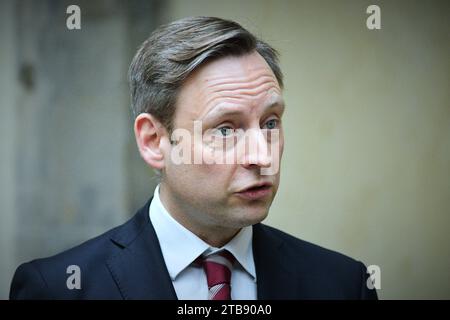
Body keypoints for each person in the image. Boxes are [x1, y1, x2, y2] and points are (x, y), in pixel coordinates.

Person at [10, 16, 377, 300]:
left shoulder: (343, 284)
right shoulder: (58, 289)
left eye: (269, 122)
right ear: (154, 141)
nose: (263, 155)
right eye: (225, 129)